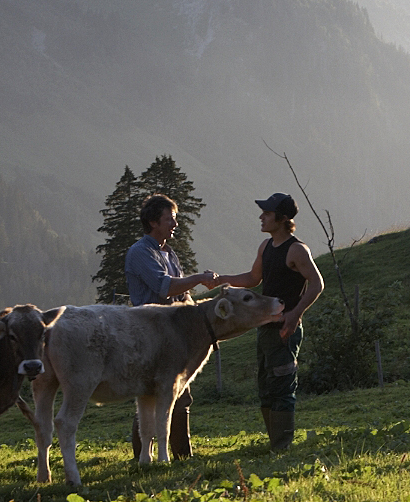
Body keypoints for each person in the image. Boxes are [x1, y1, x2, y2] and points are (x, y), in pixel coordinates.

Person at [214, 192, 324, 451]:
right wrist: (221, 280)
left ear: (282, 218)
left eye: (267, 213)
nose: (261, 217)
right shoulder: (266, 247)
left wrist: (295, 314)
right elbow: (253, 279)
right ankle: (275, 442)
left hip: (285, 329)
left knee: (282, 385)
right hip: (264, 327)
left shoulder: (297, 250)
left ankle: (281, 446)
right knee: (266, 386)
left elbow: (317, 284)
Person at [124, 193, 216, 459]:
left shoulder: (169, 253)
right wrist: (199, 278)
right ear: (153, 222)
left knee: (179, 393)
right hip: (150, 333)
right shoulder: (140, 252)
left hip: (174, 334)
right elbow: (164, 287)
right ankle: (145, 454)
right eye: (170, 219)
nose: (175, 224)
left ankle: (180, 455)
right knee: (150, 394)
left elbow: (181, 294)